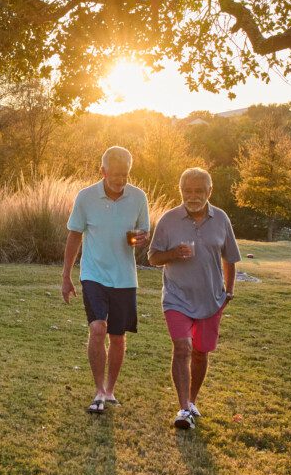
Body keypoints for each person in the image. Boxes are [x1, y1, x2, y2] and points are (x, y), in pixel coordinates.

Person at [148, 167, 240, 429]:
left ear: (209, 192)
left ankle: (192, 400)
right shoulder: (168, 220)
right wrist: (174, 253)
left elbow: (230, 259)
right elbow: (152, 257)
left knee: (200, 353)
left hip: (211, 299)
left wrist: (229, 291)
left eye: (199, 191)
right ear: (181, 192)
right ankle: (183, 408)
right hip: (176, 297)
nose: (193, 196)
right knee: (183, 348)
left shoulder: (221, 219)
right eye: (187, 191)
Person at [62, 146, 149, 413]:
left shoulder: (138, 197)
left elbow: (144, 232)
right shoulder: (86, 197)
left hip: (124, 277)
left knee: (118, 337)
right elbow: (75, 235)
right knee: (98, 328)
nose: (121, 180)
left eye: (125, 175)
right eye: (115, 175)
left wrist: (141, 238)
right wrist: (66, 276)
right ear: (103, 171)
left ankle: (110, 390)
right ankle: (98, 390)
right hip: (94, 274)